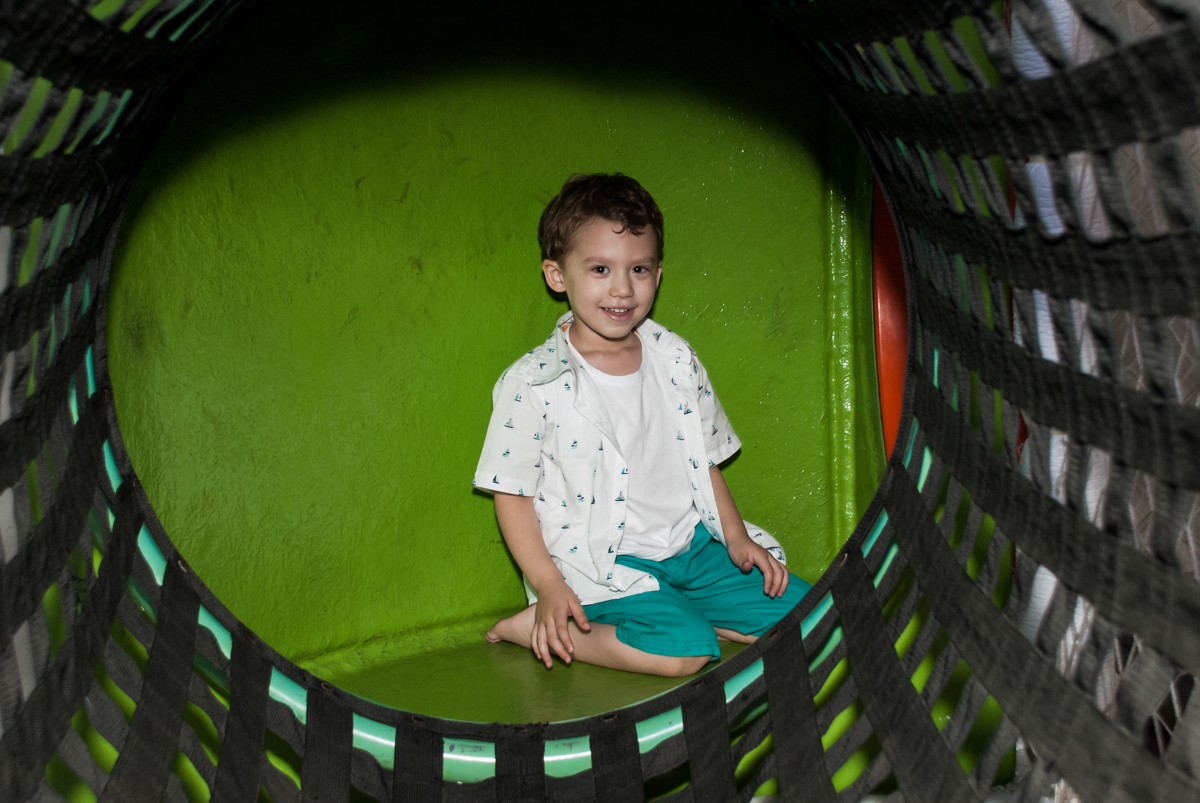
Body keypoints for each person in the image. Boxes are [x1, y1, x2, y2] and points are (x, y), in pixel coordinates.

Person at [475, 173, 811, 677]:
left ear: (657, 273)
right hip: (606, 564)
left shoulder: (675, 359)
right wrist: (548, 584)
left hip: (692, 549)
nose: (622, 288)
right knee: (684, 654)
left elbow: (705, 460)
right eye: (600, 269)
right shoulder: (533, 383)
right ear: (557, 275)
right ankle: (540, 628)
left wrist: (736, 537)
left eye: (638, 268)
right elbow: (513, 495)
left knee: (814, 615)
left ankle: (698, 611)